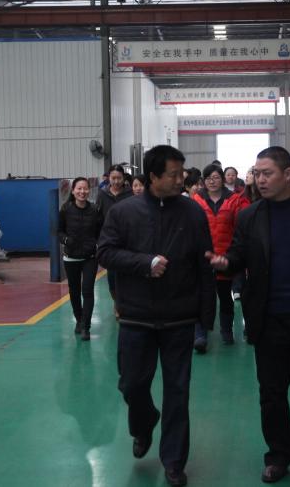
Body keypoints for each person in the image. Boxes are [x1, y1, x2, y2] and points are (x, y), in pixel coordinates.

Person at [209, 146, 290, 484]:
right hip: (269, 318)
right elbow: (239, 253)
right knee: (272, 392)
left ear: (287, 174)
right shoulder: (250, 216)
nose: (260, 179)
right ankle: (279, 455)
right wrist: (227, 262)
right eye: (257, 173)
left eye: (267, 173)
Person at [98, 145, 216, 487]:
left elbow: (204, 264)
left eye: (182, 174)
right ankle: (144, 422)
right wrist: (144, 263)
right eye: (173, 175)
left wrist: (205, 317)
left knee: (178, 392)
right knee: (132, 385)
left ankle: (174, 461)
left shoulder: (192, 213)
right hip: (136, 317)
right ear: (153, 176)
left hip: (179, 317)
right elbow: (105, 252)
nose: (181, 180)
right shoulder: (124, 212)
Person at [191, 164, 250, 350]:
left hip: (226, 258)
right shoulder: (196, 200)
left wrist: (234, 256)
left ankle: (226, 331)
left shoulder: (234, 200)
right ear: (204, 181)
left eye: (216, 177)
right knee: (202, 297)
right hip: (202, 257)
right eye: (208, 178)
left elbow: (241, 227)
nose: (212, 181)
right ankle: (200, 335)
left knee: (225, 297)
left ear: (222, 179)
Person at [58, 177, 103, 341]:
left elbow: (101, 232)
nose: (82, 192)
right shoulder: (66, 209)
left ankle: (86, 327)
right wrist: (66, 240)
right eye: (79, 188)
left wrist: (97, 245)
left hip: (90, 257)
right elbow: (59, 231)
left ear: (89, 191)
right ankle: (79, 319)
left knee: (88, 291)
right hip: (71, 257)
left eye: (85, 189)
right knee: (74, 292)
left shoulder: (95, 210)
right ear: (73, 191)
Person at [96, 165, 133, 302]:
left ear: (124, 178)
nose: (116, 181)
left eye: (119, 178)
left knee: (128, 273)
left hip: (128, 241)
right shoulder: (102, 194)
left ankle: (127, 303)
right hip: (110, 241)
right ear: (108, 178)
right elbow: (98, 218)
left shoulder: (130, 194)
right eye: (113, 178)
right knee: (111, 276)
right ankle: (117, 304)